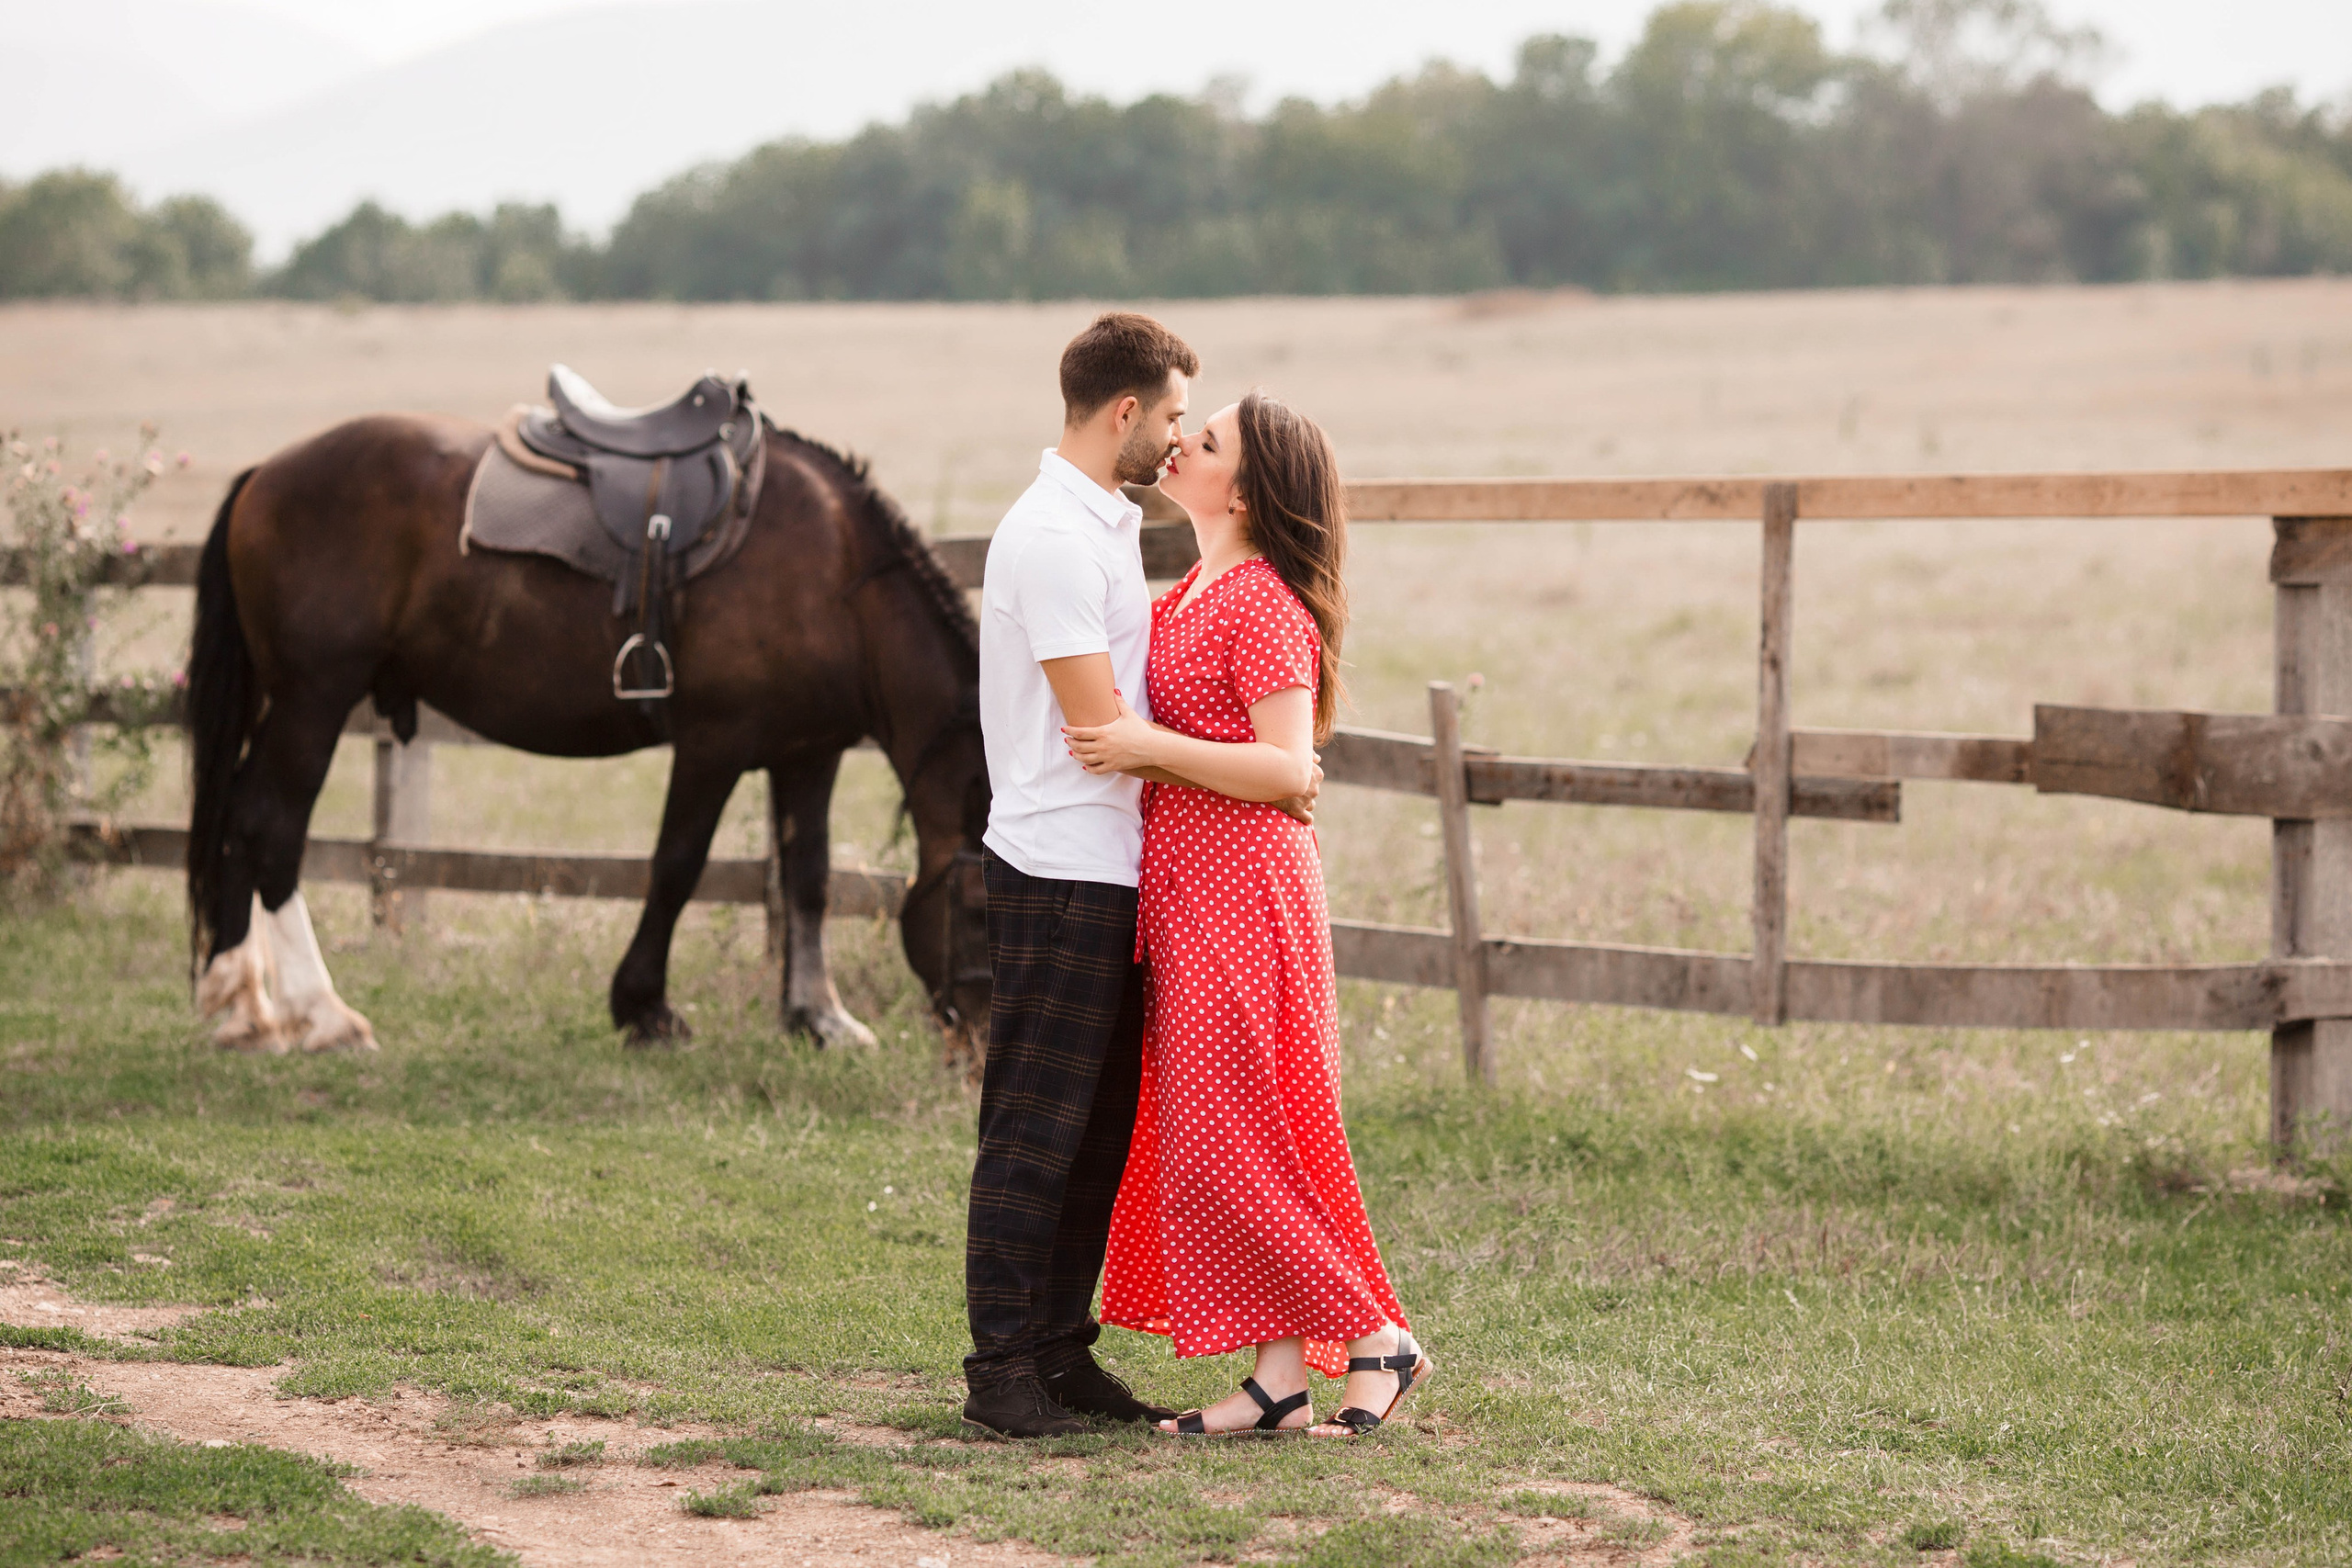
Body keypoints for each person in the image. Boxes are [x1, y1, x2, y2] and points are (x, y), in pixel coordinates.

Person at [1066, 391, 1427, 1439]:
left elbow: (1286, 768)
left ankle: (1376, 1333)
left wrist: (1142, 747)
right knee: (1237, 1133)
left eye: (1207, 439)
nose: (1180, 442)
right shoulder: (1192, 587)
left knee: (1234, 1137)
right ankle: (1278, 1379)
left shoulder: (1261, 599)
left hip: (1245, 891)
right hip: (1189, 895)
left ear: (1249, 488)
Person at [960, 311, 1201, 1439]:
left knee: (1098, 1131)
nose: (1176, 439)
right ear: (1124, 412)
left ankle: (1060, 1354)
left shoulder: (1102, 522)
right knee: (1033, 1127)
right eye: (1171, 417)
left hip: (1111, 868)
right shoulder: (1051, 536)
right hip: (1058, 869)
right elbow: (1097, 724)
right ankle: (1000, 1370)